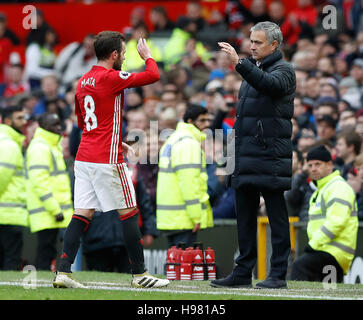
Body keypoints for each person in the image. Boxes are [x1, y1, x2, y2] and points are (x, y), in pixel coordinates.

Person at [53, 31, 169, 289]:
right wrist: (148, 57)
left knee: (81, 214)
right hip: (106, 158)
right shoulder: (111, 77)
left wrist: (116, 139)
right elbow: (153, 75)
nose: (125, 57)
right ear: (114, 54)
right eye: (124, 53)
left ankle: (63, 272)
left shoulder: (82, 81)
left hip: (84, 157)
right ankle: (139, 275)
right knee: (129, 211)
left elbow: (85, 123)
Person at [212, 21, 296, 289]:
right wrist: (230, 159)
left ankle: (278, 274)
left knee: (276, 217)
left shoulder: (284, 70)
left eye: (258, 42)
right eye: (251, 41)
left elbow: (270, 85)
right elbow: (241, 123)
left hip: (270, 157)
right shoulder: (251, 73)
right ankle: (242, 272)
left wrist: (240, 63)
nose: (251, 46)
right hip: (246, 157)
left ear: (274, 45)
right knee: (245, 218)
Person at [290, 145, 358, 282]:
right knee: (329, 291)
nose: (313, 168)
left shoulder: (338, 187)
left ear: (330, 165)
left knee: (299, 266)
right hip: (329, 253)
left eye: (318, 164)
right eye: (310, 165)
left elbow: (336, 222)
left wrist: (313, 245)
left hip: (332, 253)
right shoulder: (322, 189)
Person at [156, 104, 214, 248]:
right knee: (183, 266)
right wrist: (196, 216)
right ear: (190, 121)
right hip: (184, 217)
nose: (207, 124)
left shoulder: (174, 139)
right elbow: (189, 182)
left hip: (172, 216)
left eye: (208, 120)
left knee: (174, 263)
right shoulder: (188, 144)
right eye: (202, 120)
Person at [25, 113, 73, 271]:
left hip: (51, 210)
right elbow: (40, 182)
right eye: (53, 124)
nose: (58, 127)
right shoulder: (40, 147)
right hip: (47, 210)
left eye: (59, 123)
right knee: (45, 249)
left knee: (49, 249)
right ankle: (40, 280)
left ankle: (43, 278)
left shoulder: (50, 145)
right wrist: (55, 209)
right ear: (43, 126)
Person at [0, 106, 27, 270]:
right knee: (11, 259)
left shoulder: (6, 140)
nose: (24, 122)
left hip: (6, 212)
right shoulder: (9, 145)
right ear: (8, 121)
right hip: (9, 213)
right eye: (20, 118)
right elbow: (2, 175)